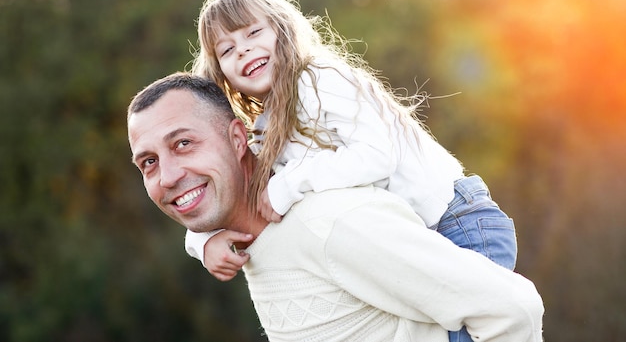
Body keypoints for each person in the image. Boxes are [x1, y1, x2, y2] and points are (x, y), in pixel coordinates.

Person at [127, 72, 544, 342]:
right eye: (148, 162)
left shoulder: (329, 221)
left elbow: (512, 309)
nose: (166, 177)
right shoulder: (249, 242)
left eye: (184, 144)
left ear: (239, 139)